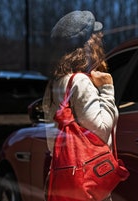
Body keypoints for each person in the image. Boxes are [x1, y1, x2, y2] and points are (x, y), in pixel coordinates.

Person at [43, 10, 118, 153]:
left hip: (67, 169)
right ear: (89, 45)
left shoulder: (55, 83)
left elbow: (52, 142)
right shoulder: (80, 82)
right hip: (89, 172)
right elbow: (101, 132)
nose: (100, 41)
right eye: (97, 38)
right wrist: (107, 88)